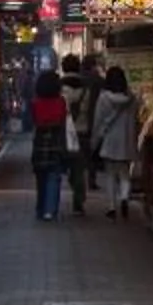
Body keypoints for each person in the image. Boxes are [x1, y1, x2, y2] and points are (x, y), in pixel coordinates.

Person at [90, 66, 140, 217]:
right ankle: (124, 197)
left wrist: (95, 138)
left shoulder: (104, 98)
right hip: (127, 139)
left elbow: (98, 119)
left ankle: (111, 207)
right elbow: (136, 116)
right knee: (125, 173)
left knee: (110, 174)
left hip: (109, 139)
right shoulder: (131, 98)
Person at [29, 69, 73, 221]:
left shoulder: (35, 103)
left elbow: (33, 122)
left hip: (40, 145)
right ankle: (50, 210)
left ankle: (40, 208)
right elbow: (62, 121)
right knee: (54, 177)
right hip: (56, 143)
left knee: (40, 179)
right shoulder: (61, 102)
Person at [58, 53, 94, 215]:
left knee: (63, 166)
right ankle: (79, 201)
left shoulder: (58, 86)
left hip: (63, 132)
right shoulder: (86, 87)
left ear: (63, 67)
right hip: (82, 131)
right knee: (79, 168)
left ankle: (53, 199)